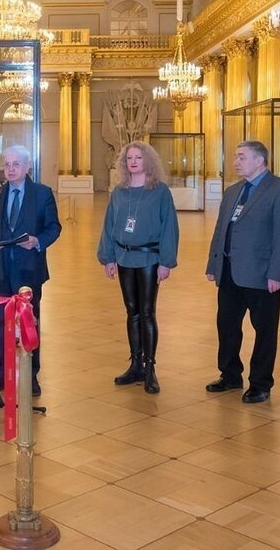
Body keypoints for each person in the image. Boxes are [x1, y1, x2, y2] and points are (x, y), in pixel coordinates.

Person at [205, 140, 280, 404]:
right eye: (236, 157)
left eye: (241, 157)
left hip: (262, 275)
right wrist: (214, 264)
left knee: (265, 331)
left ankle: (260, 383)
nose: (235, 161)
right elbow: (220, 231)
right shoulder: (232, 191)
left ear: (260, 161)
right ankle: (230, 375)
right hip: (230, 273)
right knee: (227, 326)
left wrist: (278, 274)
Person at [0, 145, 62, 397]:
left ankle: (31, 375)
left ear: (27, 167)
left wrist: (37, 241)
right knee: (1, 321)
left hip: (28, 268)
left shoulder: (42, 193)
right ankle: (1, 373)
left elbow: (54, 227)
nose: (11, 169)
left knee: (29, 322)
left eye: (16, 164)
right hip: (0, 267)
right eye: (7, 165)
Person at [97, 141, 179, 394]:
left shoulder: (161, 191)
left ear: (148, 162)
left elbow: (170, 229)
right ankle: (135, 365)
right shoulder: (119, 192)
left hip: (149, 258)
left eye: (138, 158)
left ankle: (150, 368)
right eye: (129, 158)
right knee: (131, 311)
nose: (133, 162)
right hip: (124, 257)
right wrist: (108, 257)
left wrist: (165, 261)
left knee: (147, 312)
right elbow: (109, 225)